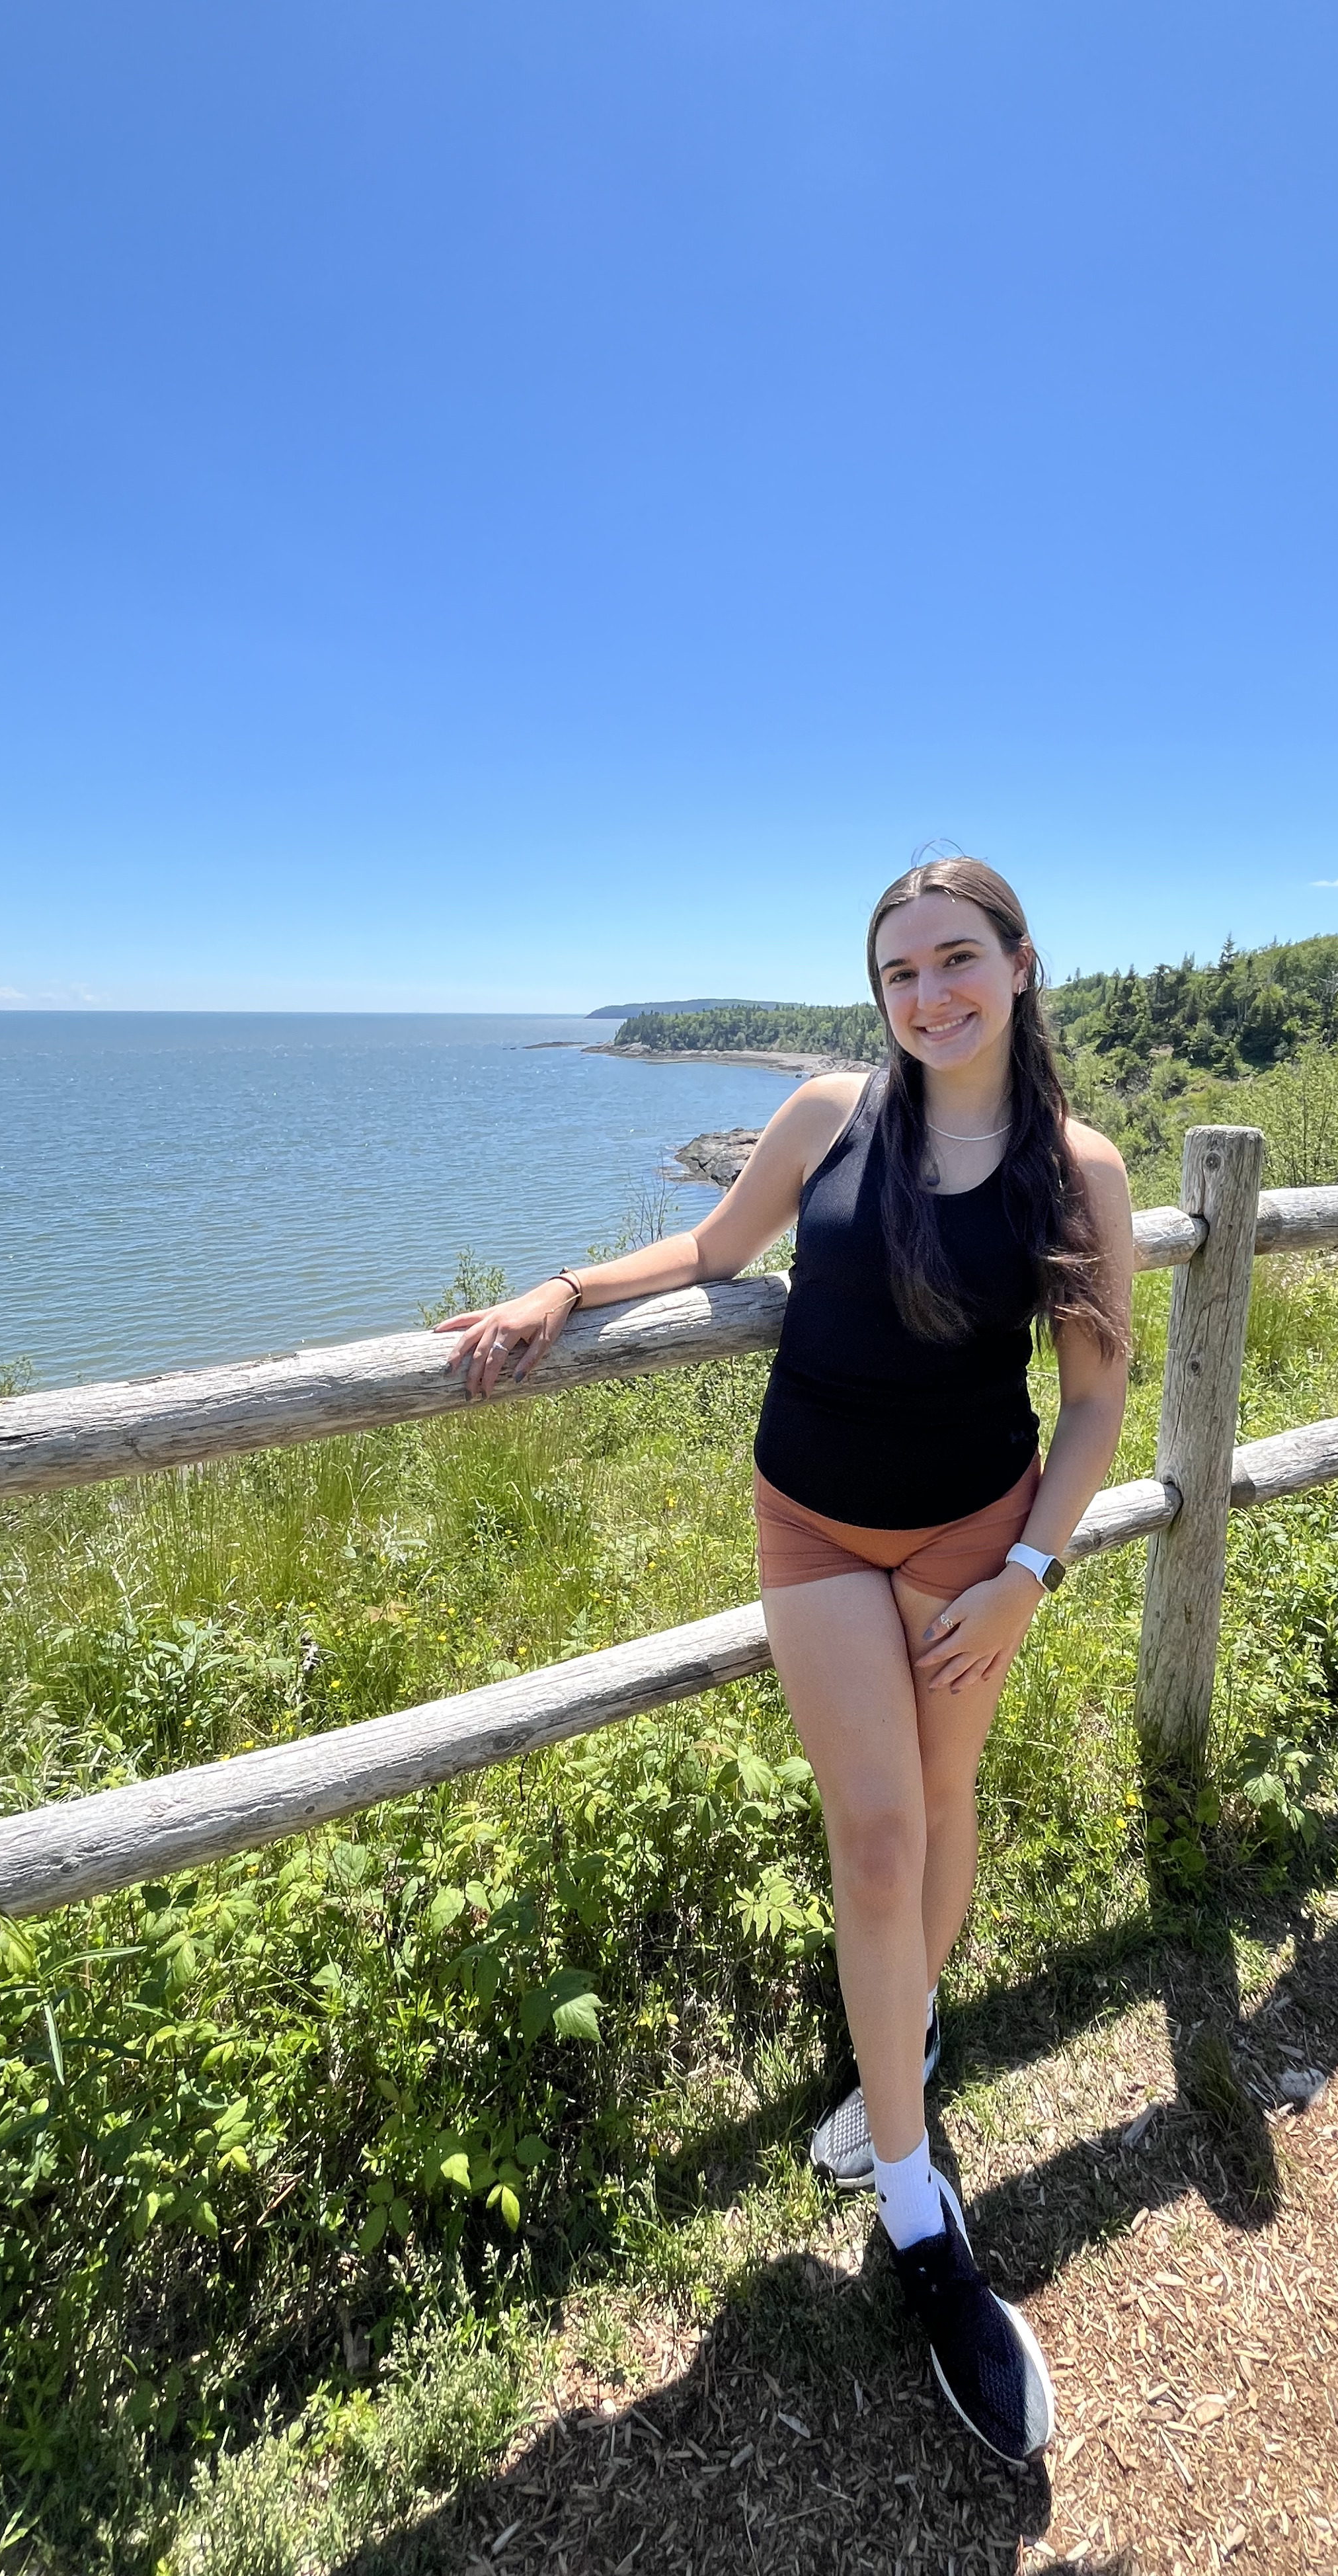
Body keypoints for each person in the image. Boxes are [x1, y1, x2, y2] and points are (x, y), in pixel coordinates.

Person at [438, 858, 1132, 2464]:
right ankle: (916, 2214)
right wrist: (557, 1287)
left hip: (976, 1539)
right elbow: (710, 1253)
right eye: (899, 973)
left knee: (946, 1813)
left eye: (958, 961)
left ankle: (904, 2032)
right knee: (881, 1837)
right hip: (814, 1523)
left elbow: (1094, 1401)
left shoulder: (1075, 1170)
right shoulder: (832, 1113)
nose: (929, 995)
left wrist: (1031, 1570)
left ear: (1022, 969)